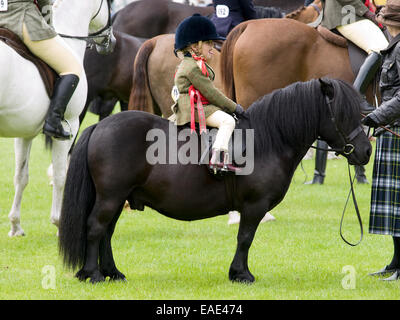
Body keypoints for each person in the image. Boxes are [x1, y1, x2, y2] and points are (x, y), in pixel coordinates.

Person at [306, 0, 388, 185]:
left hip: (352, 13)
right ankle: (357, 94)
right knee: (381, 49)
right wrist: (367, 13)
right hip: (346, 14)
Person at [170, 13, 244, 173]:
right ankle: (217, 158)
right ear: (194, 46)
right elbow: (211, 93)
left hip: (199, 105)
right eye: (209, 44)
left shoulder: (195, 64)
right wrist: (234, 107)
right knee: (228, 121)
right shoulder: (192, 67)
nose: (213, 47)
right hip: (193, 108)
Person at [0, 0, 82, 140]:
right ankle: (53, 121)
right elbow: (44, 2)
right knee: (72, 67)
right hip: (22, 19)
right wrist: (48, 26)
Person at [361, 0, 400, 281]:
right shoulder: (393, 46)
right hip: (391, 127)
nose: (381, 19)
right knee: (394, 206)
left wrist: (375, 117)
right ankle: (396, 263)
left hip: (396, 128)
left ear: (389, 22)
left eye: (384, 16)